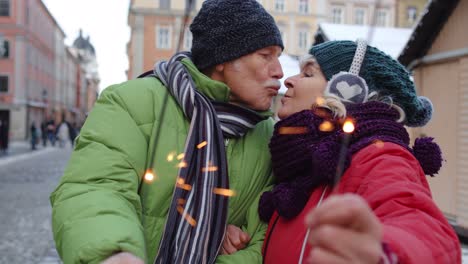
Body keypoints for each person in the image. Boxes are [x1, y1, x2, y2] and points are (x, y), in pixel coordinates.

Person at [50, 0, 283, 263]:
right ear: (223, 58)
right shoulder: (132, 102)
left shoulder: (271, 135)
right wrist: (113, 253)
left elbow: (263, 234)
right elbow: (95, 188)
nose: (279, 72)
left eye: (279, 57)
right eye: (266, 56)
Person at [258, 40, 461, 263]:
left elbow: (426, 234)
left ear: (346, 90)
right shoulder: (299, 160)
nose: (288, 80)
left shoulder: (380, 155)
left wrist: (384, 254)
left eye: (307, 74)